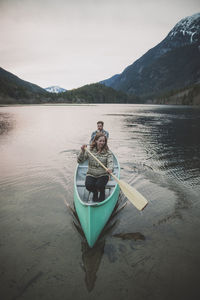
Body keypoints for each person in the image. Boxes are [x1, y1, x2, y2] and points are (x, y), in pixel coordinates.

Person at [77, 132, 113, 202]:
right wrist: (82, 151)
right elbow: (80, 161)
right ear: (96, 141)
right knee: (88, 185)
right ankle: (95, 192)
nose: (102, 143)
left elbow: (110, 162)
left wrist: (110, 168)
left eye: (103, 141)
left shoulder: (108, 152)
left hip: (103, 174)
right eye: (100, 141)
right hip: (91, 173)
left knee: (99, 185)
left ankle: (102, 192)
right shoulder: (90, 150)